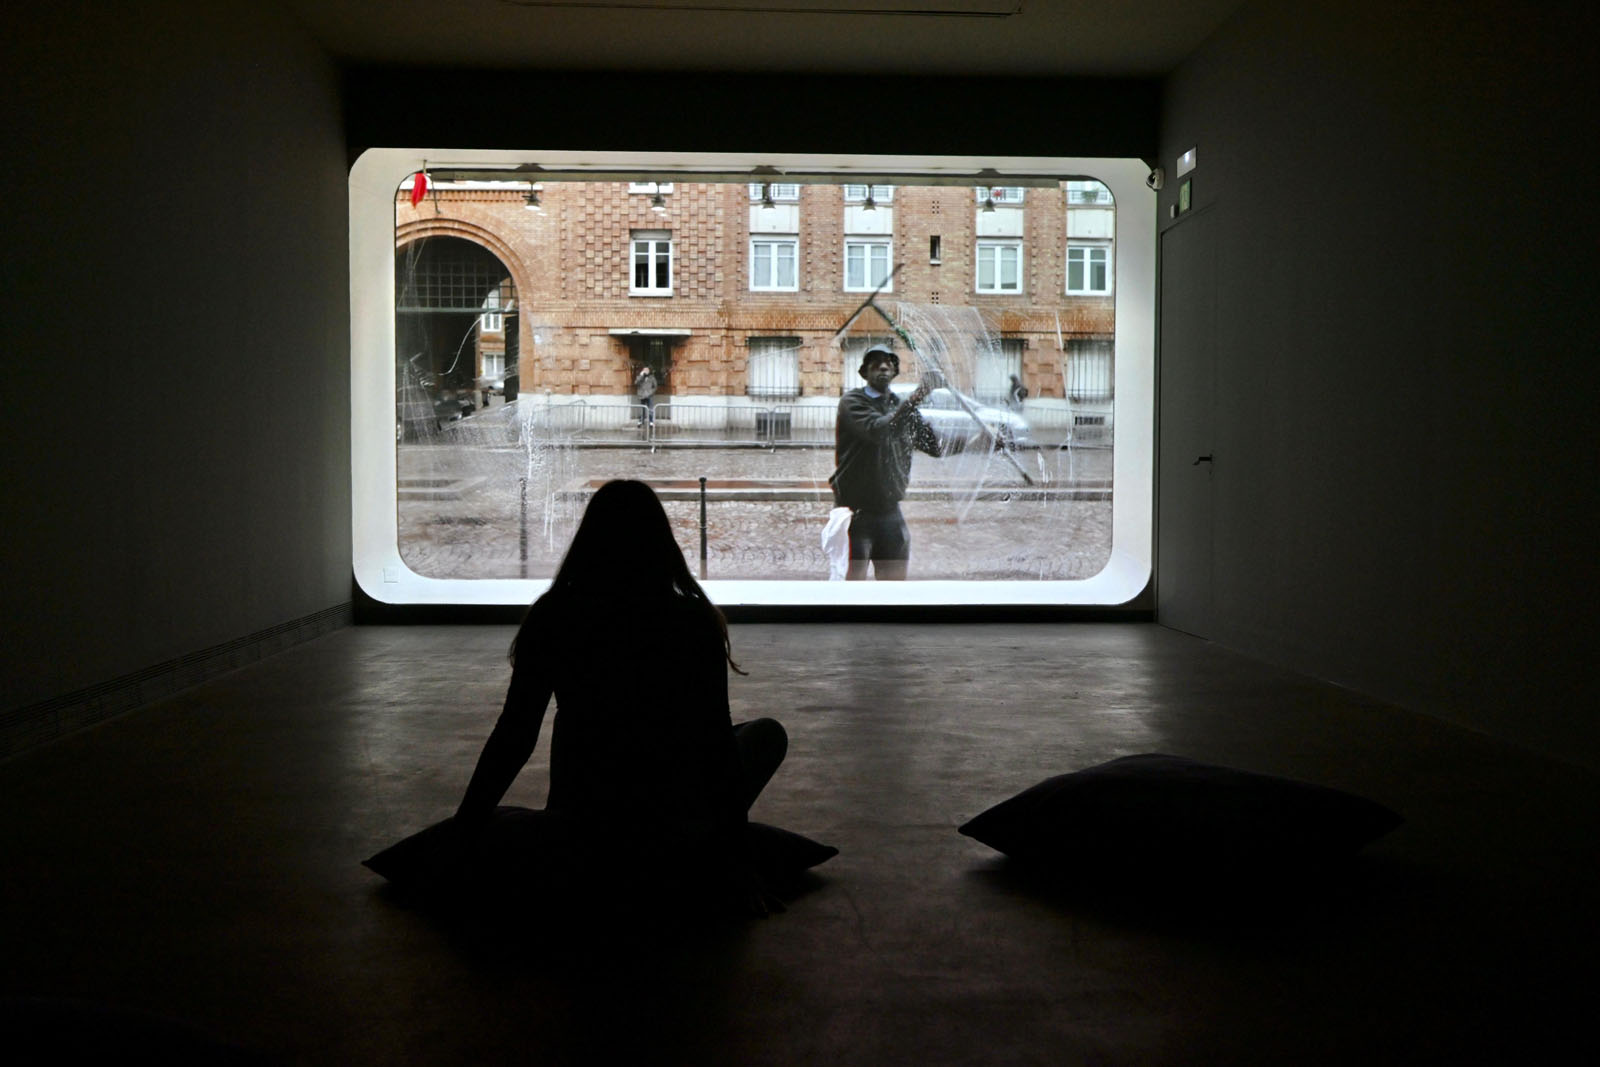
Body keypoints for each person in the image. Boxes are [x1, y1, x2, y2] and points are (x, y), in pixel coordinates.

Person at [453, 479, 788, 913]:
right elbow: (715, 743)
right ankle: (687, 845)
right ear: (660, 543)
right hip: (669, 807)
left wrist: (463, 831)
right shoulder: (690, 621)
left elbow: (515, 734)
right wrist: (736, 860)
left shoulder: (556, 615)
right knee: (764, 736)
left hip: (582, 808)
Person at [830, 345, 943, 581]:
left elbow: (935, 446)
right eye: (875, 363)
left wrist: (983, 440)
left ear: (894, 372)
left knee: (894, 590)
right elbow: (878, 430)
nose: (883, 366)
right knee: (852, 590)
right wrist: (918, 395)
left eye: (889, 363)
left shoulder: (901, 406)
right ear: (864, 373)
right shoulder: (852, 402)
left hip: (890, 513)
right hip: (855, 515)